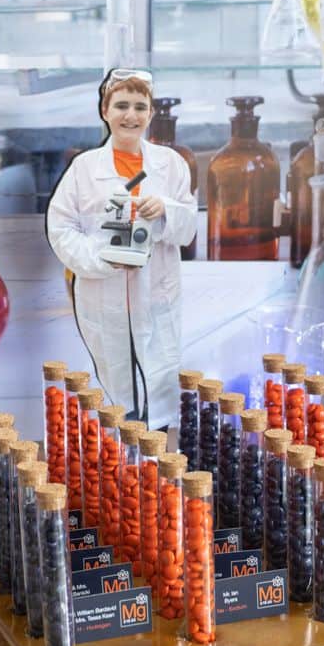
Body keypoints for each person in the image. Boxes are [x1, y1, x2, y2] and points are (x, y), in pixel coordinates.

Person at [46, 68, 197, 420]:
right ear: (105, 111)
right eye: (122, 105)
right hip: (103, 295)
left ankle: (155, 459)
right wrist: (101, 259)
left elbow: (188, 227)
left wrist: (165, 211)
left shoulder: (171, 165)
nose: (131, 115)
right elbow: (61, 228)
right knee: (113, 395)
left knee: (158, 387)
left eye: (140, 107)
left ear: (151, 113)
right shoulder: (84, 169)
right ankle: (119, 464)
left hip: (156, 295)